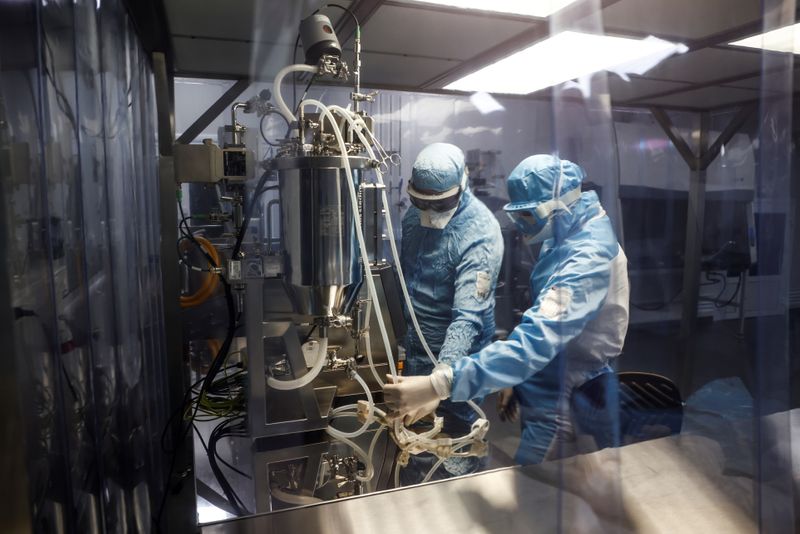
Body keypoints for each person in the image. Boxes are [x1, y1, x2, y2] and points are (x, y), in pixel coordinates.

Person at [385, 154, 630, 465]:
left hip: (568, 388)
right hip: (547, 370)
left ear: (557, 206)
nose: (521, 228)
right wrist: (515, 376)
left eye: (527, 216)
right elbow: (541, 320)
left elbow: (537, 341)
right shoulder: (567, 233)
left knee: (537, 485)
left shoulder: (586, 260)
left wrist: (439, 384)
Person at [395, 142, 503, 483]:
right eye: (420, 201)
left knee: (454, 449)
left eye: (439, 204)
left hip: (456, 364)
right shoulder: (413, 219)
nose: (428, 211)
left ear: (462, 186)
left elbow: (467, 318)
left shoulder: (480, 234)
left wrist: (439, 382)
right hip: (415, 350)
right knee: (412, 451)